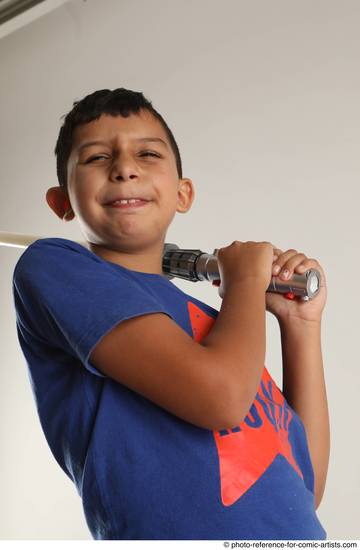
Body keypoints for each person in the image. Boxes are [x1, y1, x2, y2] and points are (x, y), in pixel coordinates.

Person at [12, 88, 329, 540]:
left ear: (183, 193)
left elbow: (305, 487)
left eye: (147, 153)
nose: (125, 168)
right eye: (98, 158)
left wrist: (301, 325)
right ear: (61, 202)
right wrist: (243, 283)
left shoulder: (218, 330)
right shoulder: (55, 267)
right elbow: (220, 400)